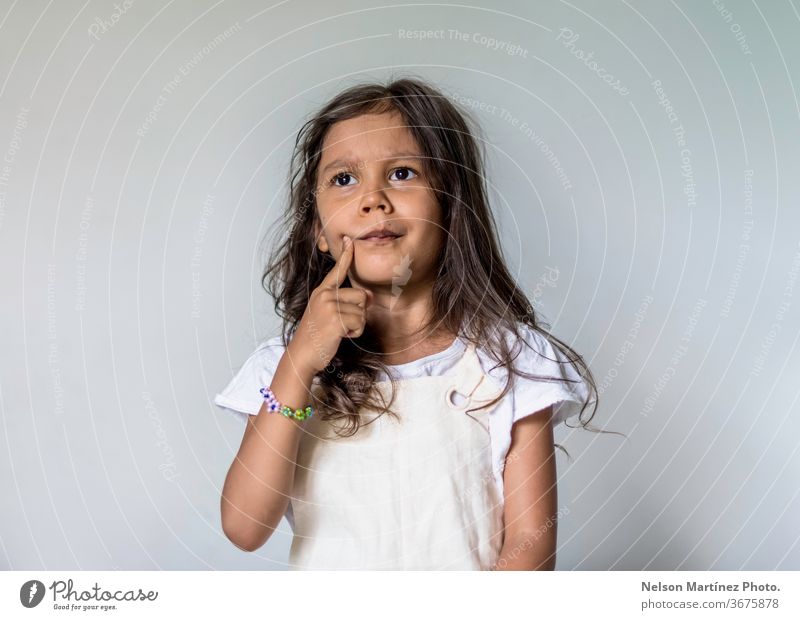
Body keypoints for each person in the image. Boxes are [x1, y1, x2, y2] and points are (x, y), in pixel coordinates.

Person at [215, 75, 600, 570]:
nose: (373, 198)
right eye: (344, 179)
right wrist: (298, 365)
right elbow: (245, 527)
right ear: (319, 232)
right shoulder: (281, 369)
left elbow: (530, 543)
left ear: (450, 206)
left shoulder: (511, 359)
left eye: (401, 173)